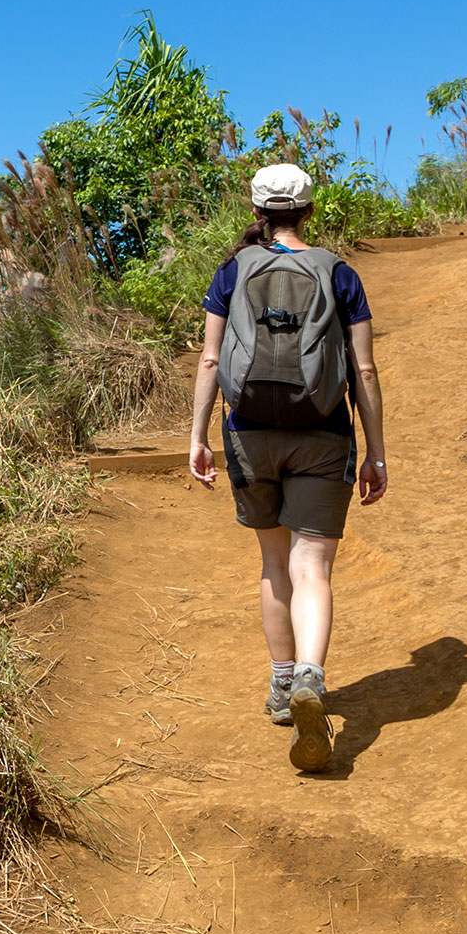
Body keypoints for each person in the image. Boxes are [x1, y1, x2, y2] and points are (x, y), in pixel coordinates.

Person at [185, 163, 388, 772]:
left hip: (249, 433)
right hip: (323, 431)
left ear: (257, 209)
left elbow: (209, 360)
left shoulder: (232, 270)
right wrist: (376, 451)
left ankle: (281, 686)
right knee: (312, 565)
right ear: (308, 209)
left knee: (275, 562)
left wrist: (198, 438)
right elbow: (365, 371)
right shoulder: (339, 272)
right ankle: (310, 677)